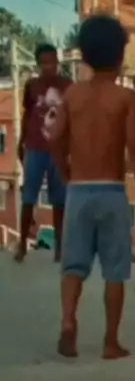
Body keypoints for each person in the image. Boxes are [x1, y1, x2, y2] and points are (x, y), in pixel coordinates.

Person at [50, 13, 135, 360]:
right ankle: (110, 341)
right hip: (111, 191)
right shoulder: (125, 98)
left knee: (73, 267)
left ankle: (68, 321)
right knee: (115, 271)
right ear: (120, 55)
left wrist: (65, 174)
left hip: (79, 190)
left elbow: (55, 140)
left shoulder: (73, 95)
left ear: (85, 54)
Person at [16, 43, 71, 263]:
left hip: (59, 150)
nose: (49, 67)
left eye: (52, 62)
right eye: (44, 63)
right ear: (38, 64)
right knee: (29, 197)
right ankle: (22, 244)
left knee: (60, 201)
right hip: (35, 148)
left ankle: (60, 247)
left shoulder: (68, 86)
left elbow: (73, 119)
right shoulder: (32, 85)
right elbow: (27, 114)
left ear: (58, 62)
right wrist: (21, 141)